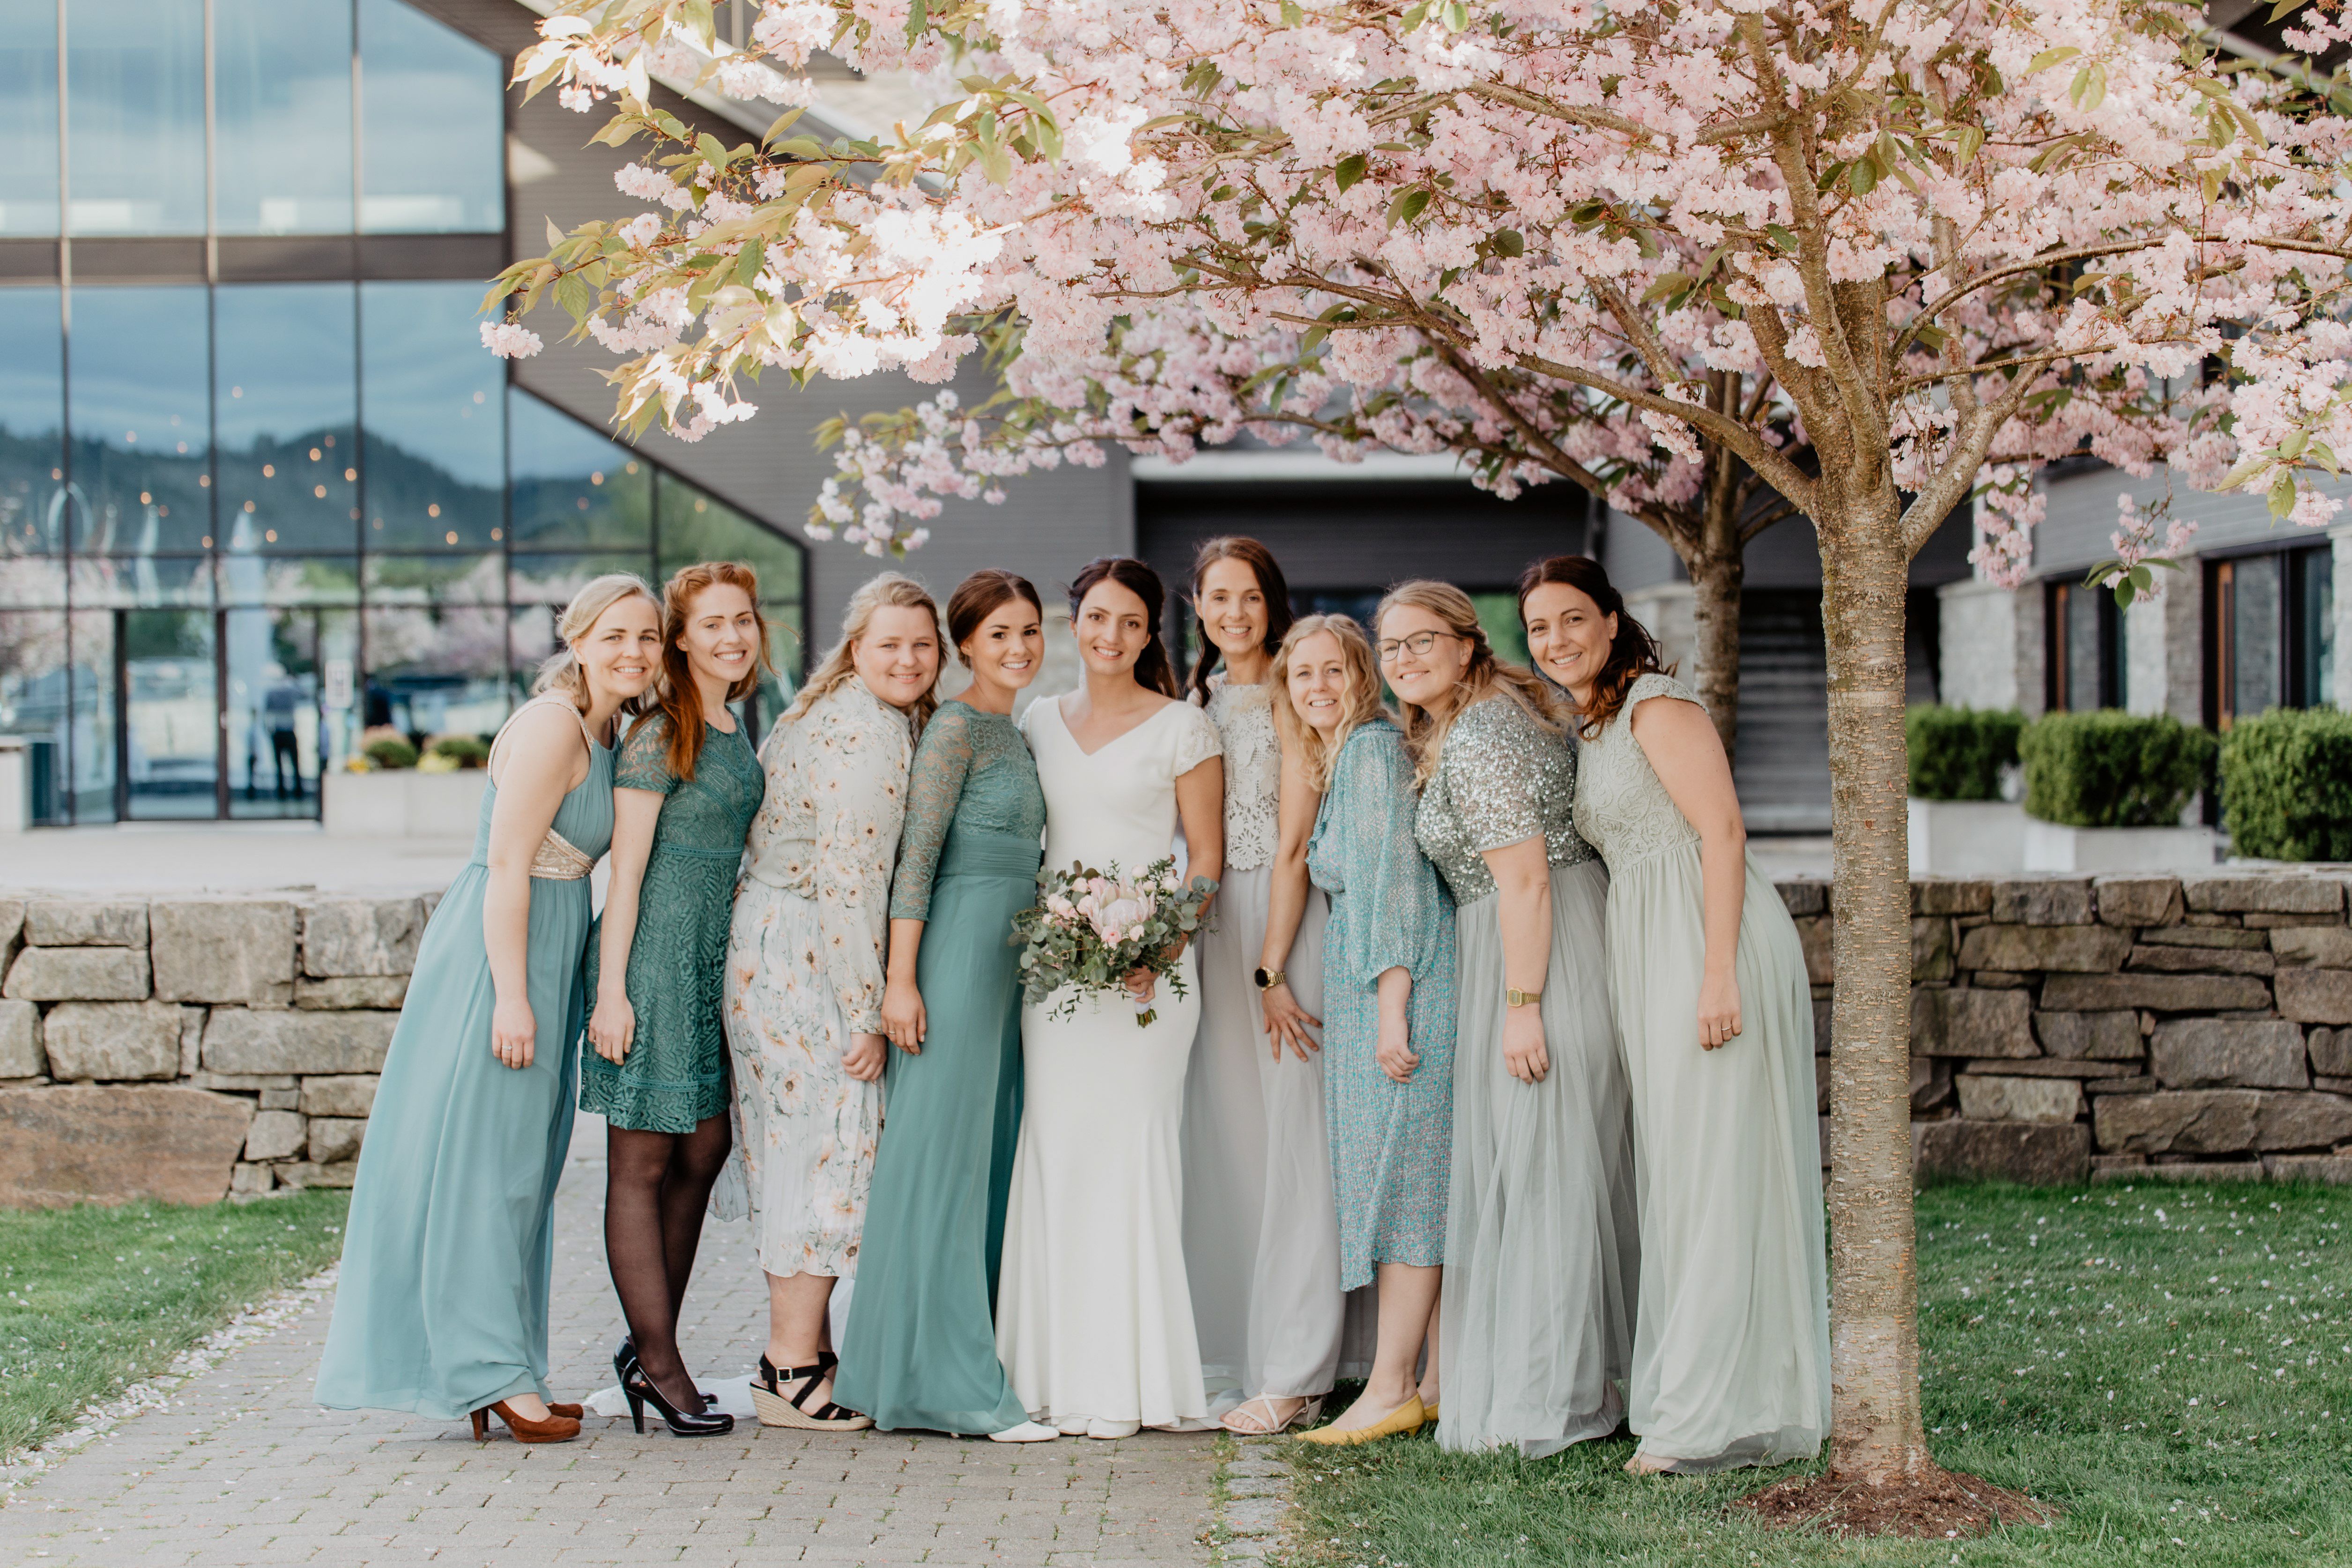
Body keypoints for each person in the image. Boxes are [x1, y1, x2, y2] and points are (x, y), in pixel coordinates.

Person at [316, 573, 662, 1444]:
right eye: (615, 635)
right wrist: (511, 996)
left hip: (549, 949)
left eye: (648, 637)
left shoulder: (608, 731)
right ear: (576, 640)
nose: (633, 652)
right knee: (485, 1168)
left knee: (519, 1173)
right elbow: (507, 866)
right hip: (497, 959)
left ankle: (508, 1364)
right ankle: (488, 1373)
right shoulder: (552, 726)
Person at [1520, 555, 1828, 1474]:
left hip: (1707, 942)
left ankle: (1703, 1415)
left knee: (1714, 1170)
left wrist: (1718, 972)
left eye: (1573, 619)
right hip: (1649, 950)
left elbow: (1723, 831)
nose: (1556, 641)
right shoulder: (1595, 724)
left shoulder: (1657, 706)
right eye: (1538, 628)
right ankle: (1705, 1394)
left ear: (1612, 622)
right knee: (1685, 1175)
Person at [1376, 580, 1637, 1458]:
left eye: (1422, 640)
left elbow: (1524, 881)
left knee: (1541, 1167)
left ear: (1466, 643)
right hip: (1523, 939)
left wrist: (1523, 1007)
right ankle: (1569, 1379)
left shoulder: (1484, 729)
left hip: (1535, 949)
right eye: (1391, 647)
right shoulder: (1479, 716)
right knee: (1547, 1166)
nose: (1404, 659)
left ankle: (1549, 1397)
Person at [996, 557, 1225, 1440]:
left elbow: (1204, 861)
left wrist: (1158, 946)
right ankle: (1046, 1377)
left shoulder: (1183, 728)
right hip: (1055, 979)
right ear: (1075, 622)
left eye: (1130, 622)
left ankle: (1136, 1384)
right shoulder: (1037, 720)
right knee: (1056, 1155)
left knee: (1132, 1161)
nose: (1111, 635)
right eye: (1097, 617)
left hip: (1147, 984)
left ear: (1149, 632)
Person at [833, 571, 1060, 1444]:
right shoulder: (956, 730)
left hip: (1007, 961)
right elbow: (916, 859)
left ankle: (949, 1361)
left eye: (1029, 631)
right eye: (999, 634)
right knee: (944, 1164)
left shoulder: (1017, 729)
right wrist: (900, 982)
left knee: (983, 1159)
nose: (1018, 648)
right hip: (956, 956)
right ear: (964, 645)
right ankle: (949, 1387)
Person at [723, 572, 940, 1432]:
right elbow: (851, 884)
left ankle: (800, 1353)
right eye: (889, 643)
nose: (907, 659)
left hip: (774, 942)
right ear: (856, 648)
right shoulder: (863, 735)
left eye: (921, 645)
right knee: (826, 1152)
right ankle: (790, 1368)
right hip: (808, 958)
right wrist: (866, 1013)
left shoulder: (835, 712)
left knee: (797, 1151)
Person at [582, 562, 773, 1439]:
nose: (732, 637)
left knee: (704, 1147)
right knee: (644, 1161)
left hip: (710, 962)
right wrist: (611, 992)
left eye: (743, 620)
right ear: (682, 640)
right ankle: (659, 1365)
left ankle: (646, 1346)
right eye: (712, 624)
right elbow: (626, 875)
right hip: (655, 960)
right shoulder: (660, 734)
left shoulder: (733, 726)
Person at [1177, 538, 1344, 1436]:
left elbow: (1292, 844)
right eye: (1218, 598)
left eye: (1248, 597)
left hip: (1280, 923)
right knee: (1233, 1136)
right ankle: (1240, 1344)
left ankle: (1301, 1365)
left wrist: (1273, 969)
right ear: (1197, 606)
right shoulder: (1196, 697)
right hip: (1213, 927)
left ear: (1270, 603)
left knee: (1294, 1135)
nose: (1233, 613)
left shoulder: (1290, 689)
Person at [1277, 615, 1456, 1447]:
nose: (1317, 687)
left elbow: (1395, 885)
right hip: (1372, 986)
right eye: (1301, 674)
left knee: (1405, 1179)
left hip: (1398, 984)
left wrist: (1392, 1007)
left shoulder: (1372, 753)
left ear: (1362, 677)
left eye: (1333, 671)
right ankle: (1435, 1381)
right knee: (1408, 1175)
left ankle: (1388, 1390)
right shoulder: (1345, 755)